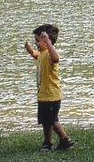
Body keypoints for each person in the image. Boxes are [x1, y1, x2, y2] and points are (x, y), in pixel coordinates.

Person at [24, 24, 74, 152]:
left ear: (47, 41)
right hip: (43, 96)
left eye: (38, 40)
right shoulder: (42, 54)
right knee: (46, 121)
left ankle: (65, 139)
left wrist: (47, 41)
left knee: (52, 120)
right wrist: (30, 51)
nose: (36, 43)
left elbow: (56, 58)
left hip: (52, 95)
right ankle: (47, 142)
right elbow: (37, 56)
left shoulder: (51, 55)